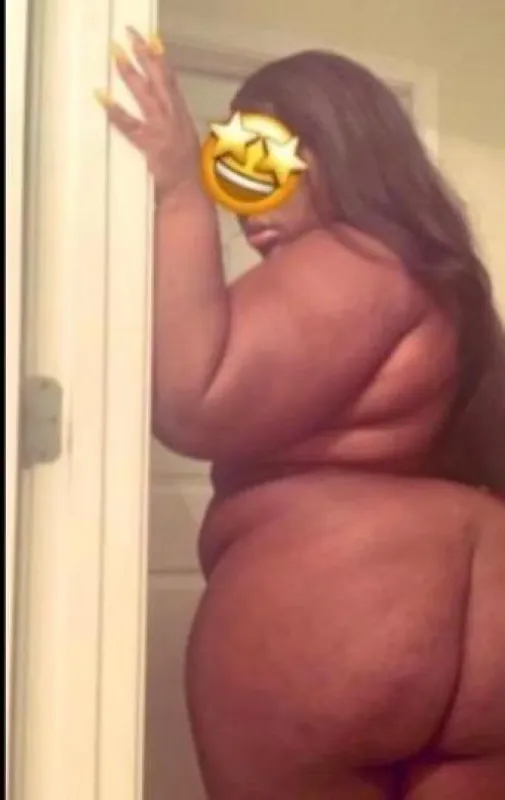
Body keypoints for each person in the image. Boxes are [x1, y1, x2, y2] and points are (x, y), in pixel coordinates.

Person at [97, 28, 505, 800]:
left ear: (333, 150)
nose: (244, 205)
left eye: (261, 164)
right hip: (478, 621)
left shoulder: (353, 257)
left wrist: (179, 190)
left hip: (346, 608)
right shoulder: (435, 280)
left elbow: (195, 401)